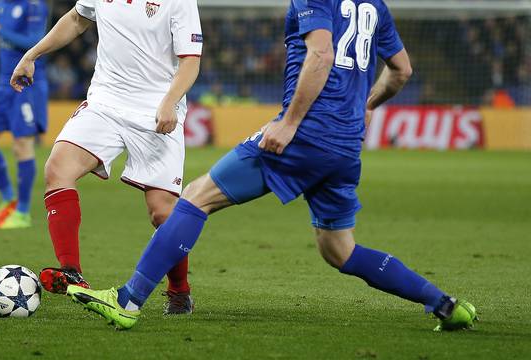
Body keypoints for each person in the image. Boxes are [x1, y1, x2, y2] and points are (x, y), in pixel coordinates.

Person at [65, 0, 478, 331]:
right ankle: (443, 303)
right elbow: (402, 70)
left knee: (195, 197)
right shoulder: (375, 7)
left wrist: (290, 122)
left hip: (304, 135)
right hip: (345, 148)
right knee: (340, 250)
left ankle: (128, 300)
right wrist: (367, 105)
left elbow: (320, 54)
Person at [10, 0, 202, 314]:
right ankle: (71, 270)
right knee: (57, 169)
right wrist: (32, 55)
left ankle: (179, 291)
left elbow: (190, 61)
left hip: (156, 110)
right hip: (106, 103)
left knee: (162, 214)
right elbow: (75, 19)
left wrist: (170, 101)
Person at [0, 0, 49, 229]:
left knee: (21, 146)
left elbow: (36, 42)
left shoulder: (34, 5)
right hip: (3, 86)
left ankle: (23, 213)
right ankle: (9, 200)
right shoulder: (2, 3)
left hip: (26, 86)